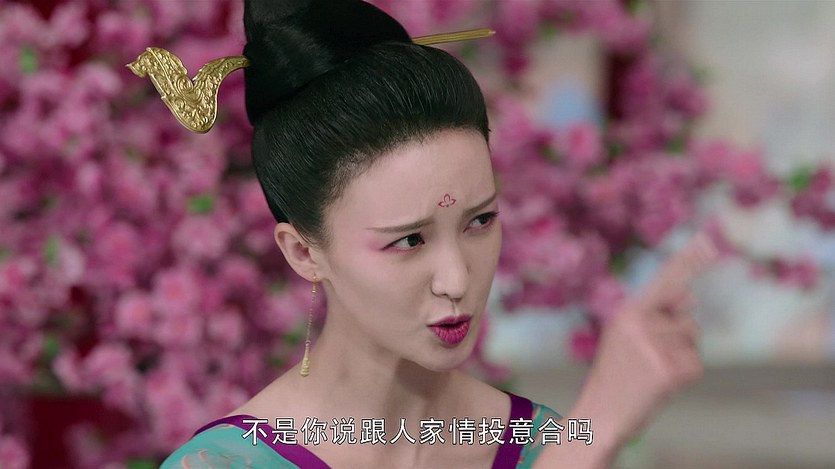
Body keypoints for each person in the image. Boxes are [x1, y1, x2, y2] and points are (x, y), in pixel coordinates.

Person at [150, 0, 718, 467]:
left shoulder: (537, 444)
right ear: (303, 252)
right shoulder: (224, 463)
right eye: (409, 240)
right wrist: (597, 429)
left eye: (480, 221)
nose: (457, 279)